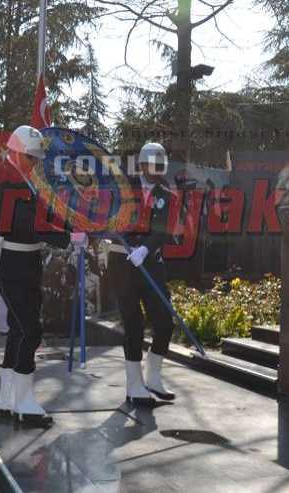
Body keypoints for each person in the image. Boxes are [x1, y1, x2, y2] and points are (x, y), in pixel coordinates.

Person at [0, 125, 81, 428]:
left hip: (24, 262)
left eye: (36, 158)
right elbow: (30, 225)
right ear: (14, 151)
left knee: (18, 330)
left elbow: (44, 217)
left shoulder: (22, 180)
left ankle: (6, 398)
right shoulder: (9, 181)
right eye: (30, 156)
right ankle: (25, 403)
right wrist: (68, 238)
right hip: (13, 263)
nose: (34, 162)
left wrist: (71, 228)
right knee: (30, 331)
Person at [109, 142, 176, 406]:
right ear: (142, 165)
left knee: (165, 322)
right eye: (153, 166)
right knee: (134, 324)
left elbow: (163, 231)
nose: (157, 171)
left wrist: (145, 249)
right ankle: (134, 385)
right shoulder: (124, 189)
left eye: (161, 167)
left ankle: (153, 378)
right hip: (123, 263)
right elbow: (111, 218)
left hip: (150, 263)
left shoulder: (167, 194)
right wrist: (127, 240)